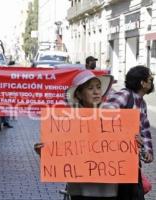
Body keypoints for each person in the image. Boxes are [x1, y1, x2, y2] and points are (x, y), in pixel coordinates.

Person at [35, 70, 117, 199]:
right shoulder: (68, 118)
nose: (96, 92)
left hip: (108, 187)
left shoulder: (113, 113)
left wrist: (135, 140)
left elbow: (124, 144)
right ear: (79, 94)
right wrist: (44, 152)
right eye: (90, 88)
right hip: (79, 188)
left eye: (99, 87)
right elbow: (59, 151)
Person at [102, 65, 154, 200]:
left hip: (130, 162)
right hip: (116, 162)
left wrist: (147, 151)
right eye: (150, 79)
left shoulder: (142, 104)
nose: (152, 82)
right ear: (142, 83)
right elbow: (104, 115)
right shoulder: (125, 95)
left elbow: (145, 129)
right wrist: (126, 133)